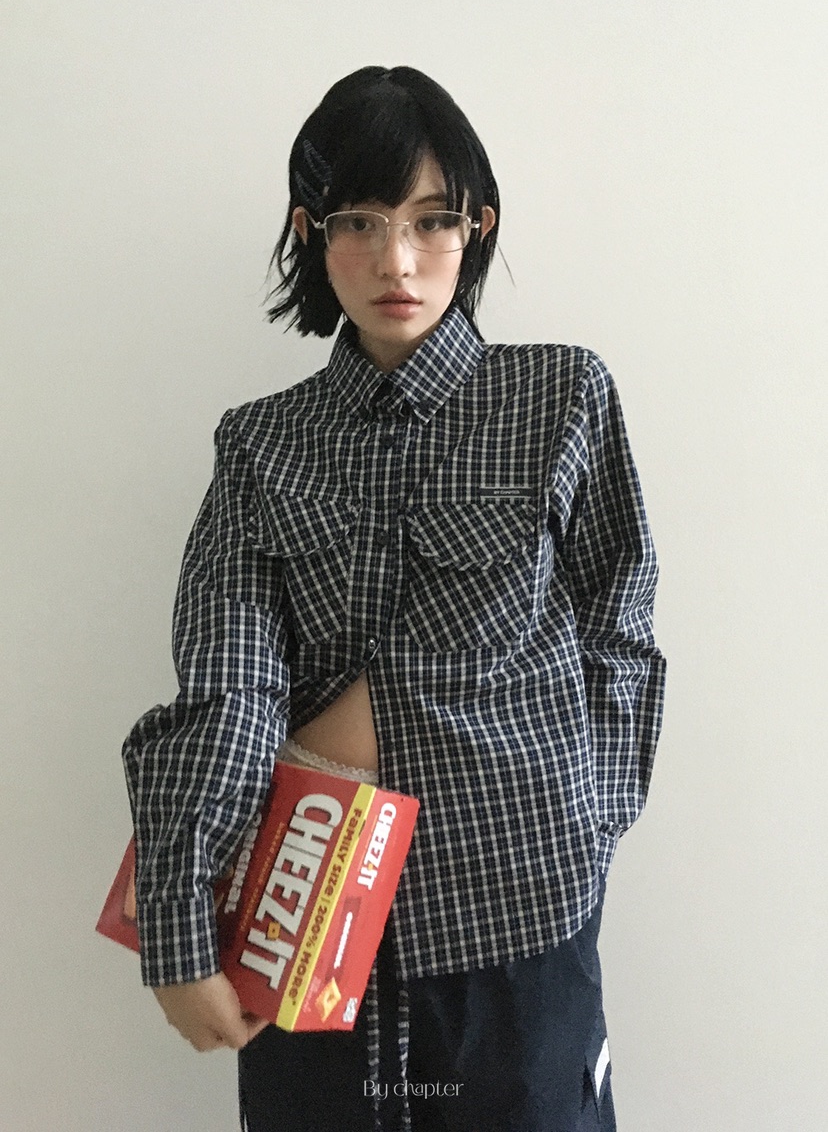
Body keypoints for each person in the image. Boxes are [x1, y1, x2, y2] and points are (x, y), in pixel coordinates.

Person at [122, 65, 666, 1132]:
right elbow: (229, 683)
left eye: (431, 220)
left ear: (478, 226)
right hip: (303, 928)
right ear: (311, 231)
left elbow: (621, 637)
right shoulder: (263, 443)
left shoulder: (560, 396)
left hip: (519, 916)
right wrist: (178, 923)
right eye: (360, 222)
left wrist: (580, 818)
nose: (397, 260)